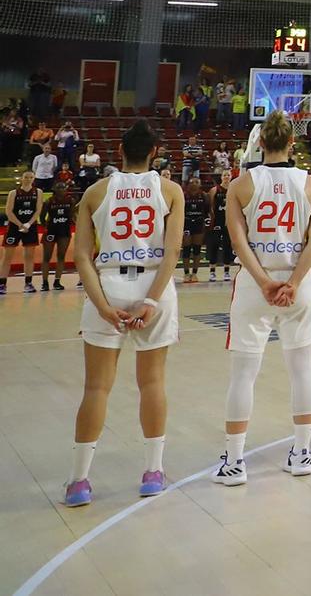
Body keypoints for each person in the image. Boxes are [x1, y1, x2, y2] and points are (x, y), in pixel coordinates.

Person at [64, 121, 184, 507]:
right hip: (154, 285)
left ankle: (79, 481)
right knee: (153, 382)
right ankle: (152, 473)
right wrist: (150, 300)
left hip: (109, 284)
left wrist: (101, 305)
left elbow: (82, 255)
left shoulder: (95, 192)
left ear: (119, 150)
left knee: (96, 387)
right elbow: (172, 253)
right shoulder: (170, 190)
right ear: (154, 152)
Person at [214, 109, 311, 486]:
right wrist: (294, 280)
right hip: (298, 284)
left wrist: (263, 281)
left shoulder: (241, 185)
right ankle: (302, 452)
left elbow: (237, 241)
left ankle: (233, 461)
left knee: (243, 374)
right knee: (302, 370)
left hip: (255, 283)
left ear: (260, 142)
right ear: (292, 143)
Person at [4, 169, 40, 293]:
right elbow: (9, 212)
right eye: (26, 177)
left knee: (29, 256)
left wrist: (28, 224)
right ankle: (2, 284)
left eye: (31, 177)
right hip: (14, 226)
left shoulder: (38, 192)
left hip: (30, 226)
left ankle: (28, 283)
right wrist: (20, 224)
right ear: (22, 178)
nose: (28, 179)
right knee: (7, 256)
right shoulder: (13, 193)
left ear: (34, 178)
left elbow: (38, 210)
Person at [39, 179, 75, 290]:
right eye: (59, 188)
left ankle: (57, 281)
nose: (61, 190)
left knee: (61, 256)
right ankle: (44, 282)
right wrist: (47, 227)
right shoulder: (48, 201)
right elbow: (42, 218)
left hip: (64, 231)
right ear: (54, 189)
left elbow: (72, 216)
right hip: (51, 231)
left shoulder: (71, 201)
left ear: (66, 189)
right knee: (46, 257)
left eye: (63, 188)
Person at [178, 167, 208, 284]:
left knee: (197, 250)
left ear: (200, 184)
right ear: (188, 183)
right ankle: (186, 273)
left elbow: (208, 211)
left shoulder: (204, 196)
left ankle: (194, 273)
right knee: (186, 249)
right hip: (187, 223)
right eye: (193, 181)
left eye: (197, 182)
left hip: (199, 223)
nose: (195, 184)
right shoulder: (183, 195)